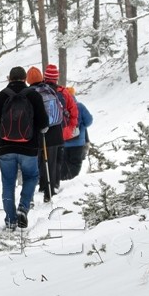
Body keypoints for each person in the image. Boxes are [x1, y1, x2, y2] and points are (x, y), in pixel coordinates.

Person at [0, 66, 48, 230]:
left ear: (9, 78)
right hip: (29, 147)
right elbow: (44, 124)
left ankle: (10, 220)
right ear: (25, 78)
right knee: (31, 177)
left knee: (8, 183)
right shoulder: (34, 96)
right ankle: (23, 208)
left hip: (5, 148)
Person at [25, 66, 67, 202]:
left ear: (28, 80)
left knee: (35, 162)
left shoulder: (29, 93)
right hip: (54, 131)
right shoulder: (49, 90)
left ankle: (33, 193)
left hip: (38, 132)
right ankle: (49, 192)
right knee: (51, 162)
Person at [43, 64, 79, 192]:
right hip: (61, 130)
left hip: (44, 131)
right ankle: (55, 184)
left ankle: (44, 185)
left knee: (45, 159)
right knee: (58, 159)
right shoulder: (63, 92)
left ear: (45, 77)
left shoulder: (40, 91)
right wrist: (70, 129)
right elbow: (73, 111)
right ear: (56, 78)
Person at [59, 94, 93, 181]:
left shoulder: (58, 106)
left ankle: (62, 182)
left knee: (63, 164)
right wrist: (82, 126)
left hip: (62, 141)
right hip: (77, 142)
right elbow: (89, 121)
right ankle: (71, 183)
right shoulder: (79, 106)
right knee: (75, 163)